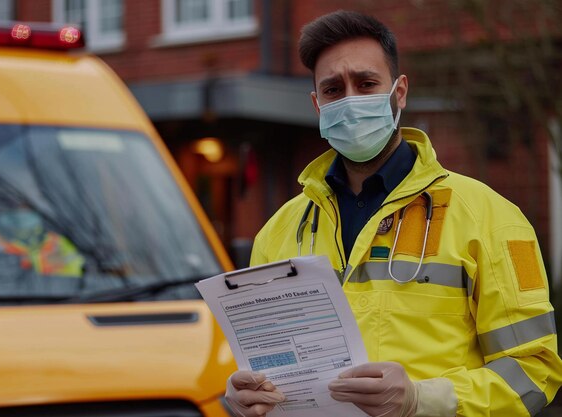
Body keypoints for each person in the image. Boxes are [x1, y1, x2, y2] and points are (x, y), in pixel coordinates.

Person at [224, 10, 562, 417]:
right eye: (333, 89)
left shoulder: (489, 216)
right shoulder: (277, 231)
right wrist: (247, 395)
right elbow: (268, 363)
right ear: (317, 104)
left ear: (399, 92)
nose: (350, 100)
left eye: (366, 84)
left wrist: (421, 400)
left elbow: (535, 370)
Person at [0, 205, 84, 277]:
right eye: (16, 208)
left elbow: (83, 274)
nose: (22, 212)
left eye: (26, 208)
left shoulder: (58, 242)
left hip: (63, 304)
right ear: (2, 211)